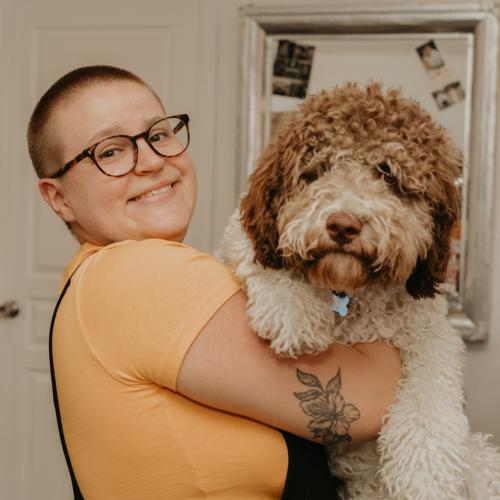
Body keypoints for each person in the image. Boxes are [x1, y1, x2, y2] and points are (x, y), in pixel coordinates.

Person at [29, 65, 401, 500]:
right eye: (109, 152)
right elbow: (364, 406)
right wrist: (407, 319)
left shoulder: (87, 280)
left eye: (158, 134)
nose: (151, 161)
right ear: (58, 198)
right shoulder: (141, 273)